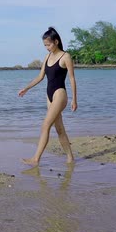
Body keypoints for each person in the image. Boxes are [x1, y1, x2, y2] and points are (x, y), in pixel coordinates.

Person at [18, 27, 77, 166]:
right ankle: (70, 158)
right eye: (45, 45)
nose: (47, 48)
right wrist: (26, 88)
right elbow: (40, 77)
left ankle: (36, 159)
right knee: (59, 129)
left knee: (45, 126)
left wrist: (74, 99)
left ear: (56, 42)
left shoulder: (65, 56)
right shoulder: (47, 57)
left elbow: (72, 78)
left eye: (48, 44)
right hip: (49, 95)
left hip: (59, 94)